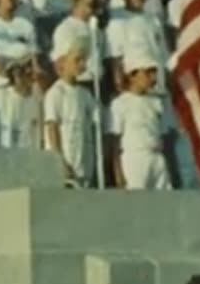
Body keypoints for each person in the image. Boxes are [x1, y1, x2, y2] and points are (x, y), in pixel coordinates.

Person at [109, 54, 175, 191]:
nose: (153, 78)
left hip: (157, 157)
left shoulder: (157, 102)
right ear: (132, 75)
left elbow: (163, 135)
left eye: (154, 72)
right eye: (147, 72)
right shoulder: (121, 103)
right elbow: (115, 141)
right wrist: (118, 172)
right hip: (135, 158)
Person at [43, 39, 99, 187]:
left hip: (83, 161)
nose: (82, 65)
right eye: (77, 60)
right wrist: (60, 162)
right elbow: (52, 128)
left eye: (84, 60)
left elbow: (93, 126)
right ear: (62, 62)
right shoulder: (56, 93)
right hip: (66, 162)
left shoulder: (85, 94)